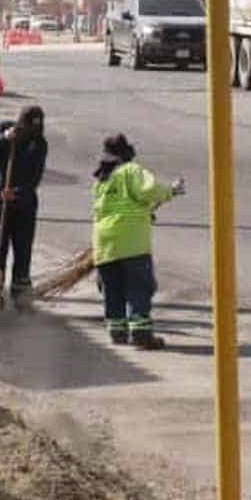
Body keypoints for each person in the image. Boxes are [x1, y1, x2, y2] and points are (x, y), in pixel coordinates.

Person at [90, 134, 184, 349]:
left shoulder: (101, 181)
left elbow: (113, 208)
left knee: (112, 289)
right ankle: (141, 332)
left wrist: (141, 212)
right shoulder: (130, 170)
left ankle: (117, 331)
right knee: (139, 287)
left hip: (104, 244)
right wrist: (171, 190)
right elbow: (148, 190)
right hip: (131, 242)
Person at [0, 105, 48, 308]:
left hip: (24, 207)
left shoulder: (39, 144)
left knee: (23, 252)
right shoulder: (6, 130)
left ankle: (20, 298)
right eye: (30, 126)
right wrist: (4, 138)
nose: (34, 131)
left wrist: (16, 194)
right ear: (21, 123)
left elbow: (35, 177)